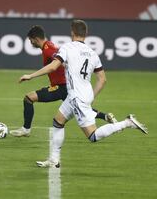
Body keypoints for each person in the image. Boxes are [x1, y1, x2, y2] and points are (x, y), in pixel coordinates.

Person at [19, 20, 148, 168]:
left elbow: (53, 66)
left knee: (92, 136)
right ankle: (54, 159)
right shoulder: (93, 54)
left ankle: (127, 123)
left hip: (76, 96)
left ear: (72, 33)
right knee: (58, 121)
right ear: (86, 34)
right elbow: (102, 79)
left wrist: (31, 75)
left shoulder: (67, 47)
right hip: (81, 94)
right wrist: (91, 97)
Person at [10, 25, 117, 137]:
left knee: (29, 98)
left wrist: (31, 76)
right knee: (80, 108)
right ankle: (105, 116)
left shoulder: (48, 50)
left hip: (61, 87)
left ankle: (26, 129)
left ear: (36, 39)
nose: (30, 43)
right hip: (65, 86)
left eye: (30, 40)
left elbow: (56, 62)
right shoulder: (49, 45)